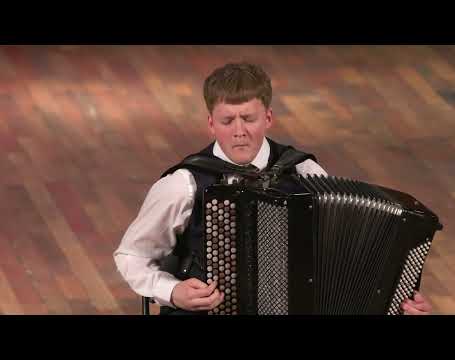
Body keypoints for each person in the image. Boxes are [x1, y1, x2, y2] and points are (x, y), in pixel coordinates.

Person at [113, 61, 432, 315]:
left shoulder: (304, 172)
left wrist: (396, 300)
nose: (239, 131)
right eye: (227, 121)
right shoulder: (183, 185)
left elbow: (339, 255)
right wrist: (173, 291)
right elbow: (131, 256)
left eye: (248, 118)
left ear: (268, 117)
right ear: (211, 123)